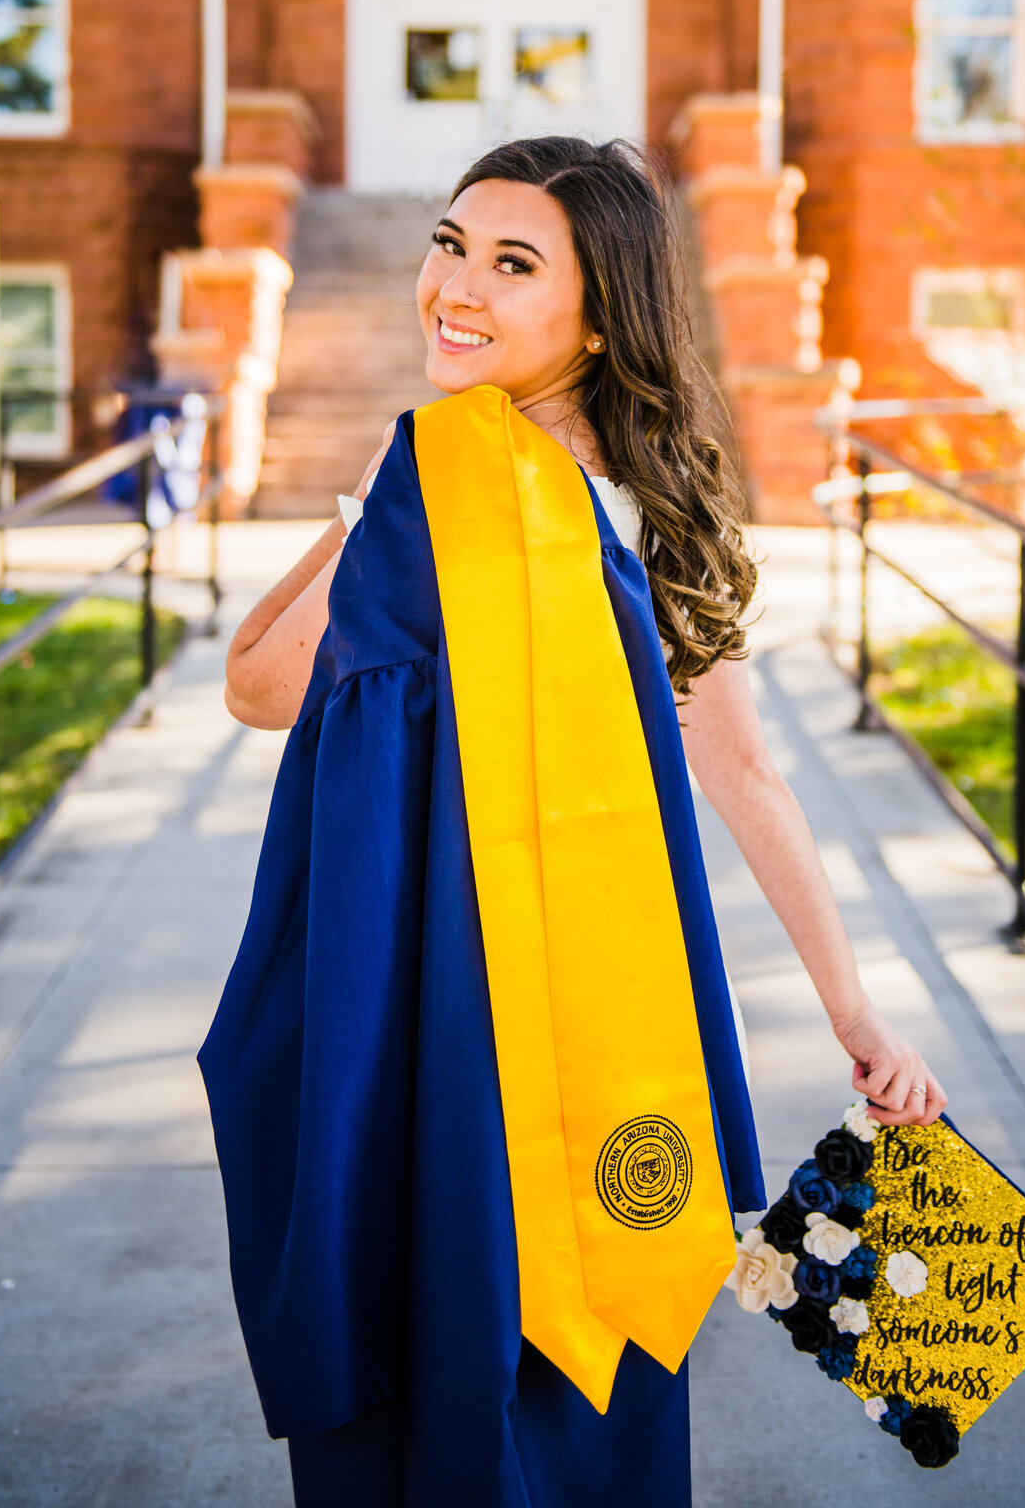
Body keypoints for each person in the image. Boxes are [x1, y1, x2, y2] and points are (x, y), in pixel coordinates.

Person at [207, 136, 946, 1507]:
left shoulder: (630, 513)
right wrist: (381, 510)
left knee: (524, 1336)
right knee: (472, 1339)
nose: (454, 287)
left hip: (538, 1014)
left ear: (599, 316)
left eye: (511, 263)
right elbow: (260, 688)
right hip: (453, 991)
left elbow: (742, 771)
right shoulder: (436, 479)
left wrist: (859, 1015)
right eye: (448, 244)